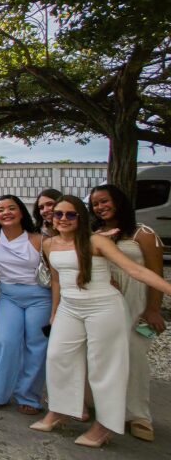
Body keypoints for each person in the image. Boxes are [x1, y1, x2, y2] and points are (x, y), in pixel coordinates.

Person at [31, 196, 171, 448]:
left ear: (80, 217)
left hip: (103, 307)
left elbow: (135, 270)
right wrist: (54, 312)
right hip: (69, 308)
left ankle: (105, 425)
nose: (63, 219)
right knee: (57, 357)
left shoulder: (95, 241)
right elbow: (56, 280)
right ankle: (60, 410)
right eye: (58, 214)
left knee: (104, 366)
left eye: (70, 214)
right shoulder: (49, 244)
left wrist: (167, 289)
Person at [89, 184, 165, 442]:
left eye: (104, 201)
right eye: (95, 204)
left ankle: (139, 415)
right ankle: (104, 407)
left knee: (135, 356)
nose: (100, 207)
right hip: (104, 300)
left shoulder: (143, 233)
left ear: (119, 201)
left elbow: (155, 273)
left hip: (136, 300)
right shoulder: (95, 234)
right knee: (103, 355)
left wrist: (153, 309)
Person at [0, 195, 48, 414]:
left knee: (36, 346)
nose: (6, 213)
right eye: (0, 210)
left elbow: (55, 272)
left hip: (39, 297)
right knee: (4, 341)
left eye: (11, 208)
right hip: (9, 296)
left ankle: (29, 397)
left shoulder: (38, 238)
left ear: (21, 212)